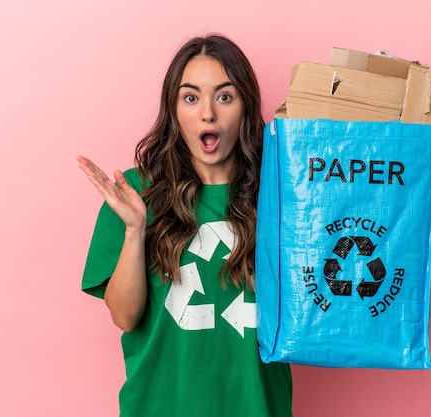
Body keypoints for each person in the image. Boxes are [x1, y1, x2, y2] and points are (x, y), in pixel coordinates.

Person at [77, 34, 293, 417]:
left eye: (225, 97)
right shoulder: (133, 193)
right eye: (191, 98)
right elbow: (125, 317)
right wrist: (134, 230)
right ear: (174, 111)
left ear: (245, 107)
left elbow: (306, 308)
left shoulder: (283, 194)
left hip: (257, 407)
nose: (207, 113)